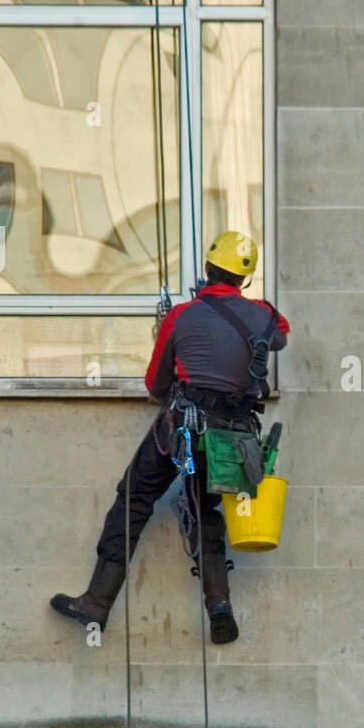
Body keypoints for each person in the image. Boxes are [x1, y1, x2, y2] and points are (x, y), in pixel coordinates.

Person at [51, 231, 289, 644]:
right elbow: (280, 330)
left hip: (181, 428)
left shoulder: (182, 316)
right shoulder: (264, 317)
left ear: (208, 267)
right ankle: (219, 608)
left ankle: (96, 602)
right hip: (231, 437)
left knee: (134, 500)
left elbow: (155, 385)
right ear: (244, 279)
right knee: (205, 511)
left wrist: (177, 334)